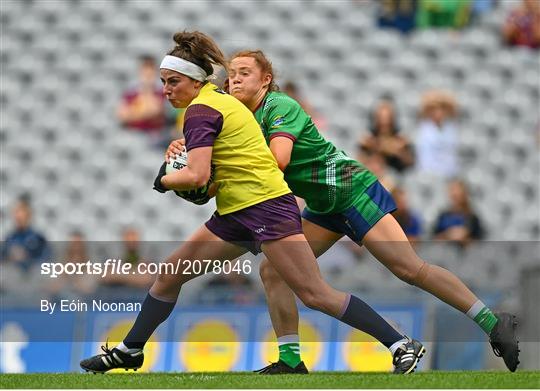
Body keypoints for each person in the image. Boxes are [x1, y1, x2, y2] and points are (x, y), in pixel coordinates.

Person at [80, 31, 423, 375]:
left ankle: (399, 344)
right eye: (163, 82)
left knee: (315, 294)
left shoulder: (202, 110)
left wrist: (166, 178)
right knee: (171, 273)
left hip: (265, 207)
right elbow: (218, 161)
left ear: (195, 80)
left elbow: (199, 178)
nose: (165, 90)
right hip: (237, 209)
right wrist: (183, 152)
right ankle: (131, 350)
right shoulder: (218, 99)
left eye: (172, 81)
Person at [167, 49, 519, 373]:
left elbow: (277, 160)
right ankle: (290, 360)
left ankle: (491, 322)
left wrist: (212, 171)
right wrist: (190, 148)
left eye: (245, 72)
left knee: (410, 269)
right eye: (231, 75)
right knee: (273, 270)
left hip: (352, 191)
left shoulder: (279, 106)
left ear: (266, 80)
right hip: (324, 206)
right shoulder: (240, 119)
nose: (236, 79)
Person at [357, 99, 415, 173]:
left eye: (388, 118)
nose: (384, 122)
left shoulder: (401, 138)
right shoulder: (368, 138)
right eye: (381, 118)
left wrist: (400, 152)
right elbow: (358, 163)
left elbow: (411, 163)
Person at [415, 90, 459, 178]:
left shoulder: (450, 128)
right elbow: (423, 104)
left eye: (442, 109)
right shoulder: (425, 128)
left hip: (449, 173)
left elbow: (454, 105)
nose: (439, 113)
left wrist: (441, 99)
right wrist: (435, 99)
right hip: (429, 173)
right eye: (435, 110)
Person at [433, 179, 485, 245]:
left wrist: (464, 237)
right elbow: (434, 238)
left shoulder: (472, 217)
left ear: (464, 193)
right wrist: (448, 235)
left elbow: (478, 241)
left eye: (457, 191)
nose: (455, 193)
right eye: (452, 190)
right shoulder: (443, 216)